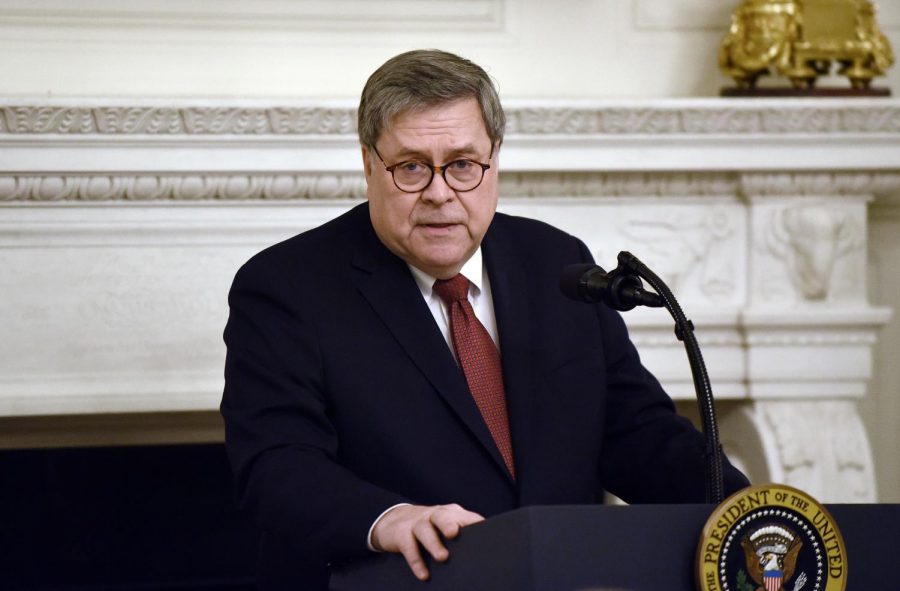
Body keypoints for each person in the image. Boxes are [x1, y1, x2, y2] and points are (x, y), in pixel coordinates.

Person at [221, 49, 749, 590]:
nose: (439, 192)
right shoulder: (287, 287)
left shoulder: (556, 264)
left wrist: (750, 511)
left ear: (494, 159)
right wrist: (389, 519)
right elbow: (277, 467)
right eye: (410, 167)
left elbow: (637, 434)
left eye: (463, 165)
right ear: (367, 164)